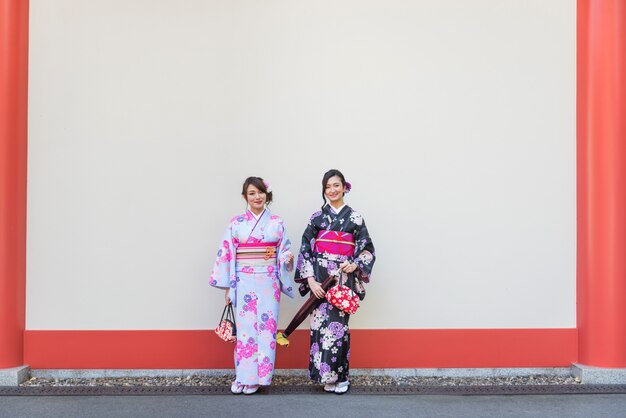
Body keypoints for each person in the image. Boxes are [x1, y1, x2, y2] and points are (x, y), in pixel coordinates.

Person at [210, 177, 295, 395]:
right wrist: (229, 286)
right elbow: (227, 254)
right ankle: (243, 376)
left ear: (267, 194)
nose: (257, 197)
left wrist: (285, 258)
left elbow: (284, 248)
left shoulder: (277, 222)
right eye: (251, 193)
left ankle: (260, 378)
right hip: (243, 281)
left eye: (260, 192)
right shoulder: (236, 224)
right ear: (245, 197)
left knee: (266, 330)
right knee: (246, 331)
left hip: (268, 281)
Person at [295, 169, 375, 394]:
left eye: (336, 185)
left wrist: (356, 263)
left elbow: (366, 248)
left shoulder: (355, 217)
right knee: (319, 326)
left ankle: (339, 377)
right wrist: (310, 280)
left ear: (344, 187)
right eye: (328, 187)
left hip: (342, 280)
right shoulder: (317, 218)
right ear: (324, 190)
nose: (332, 190)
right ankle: (323, 376)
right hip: (320, 280)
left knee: (337, 328)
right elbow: (305, 248)